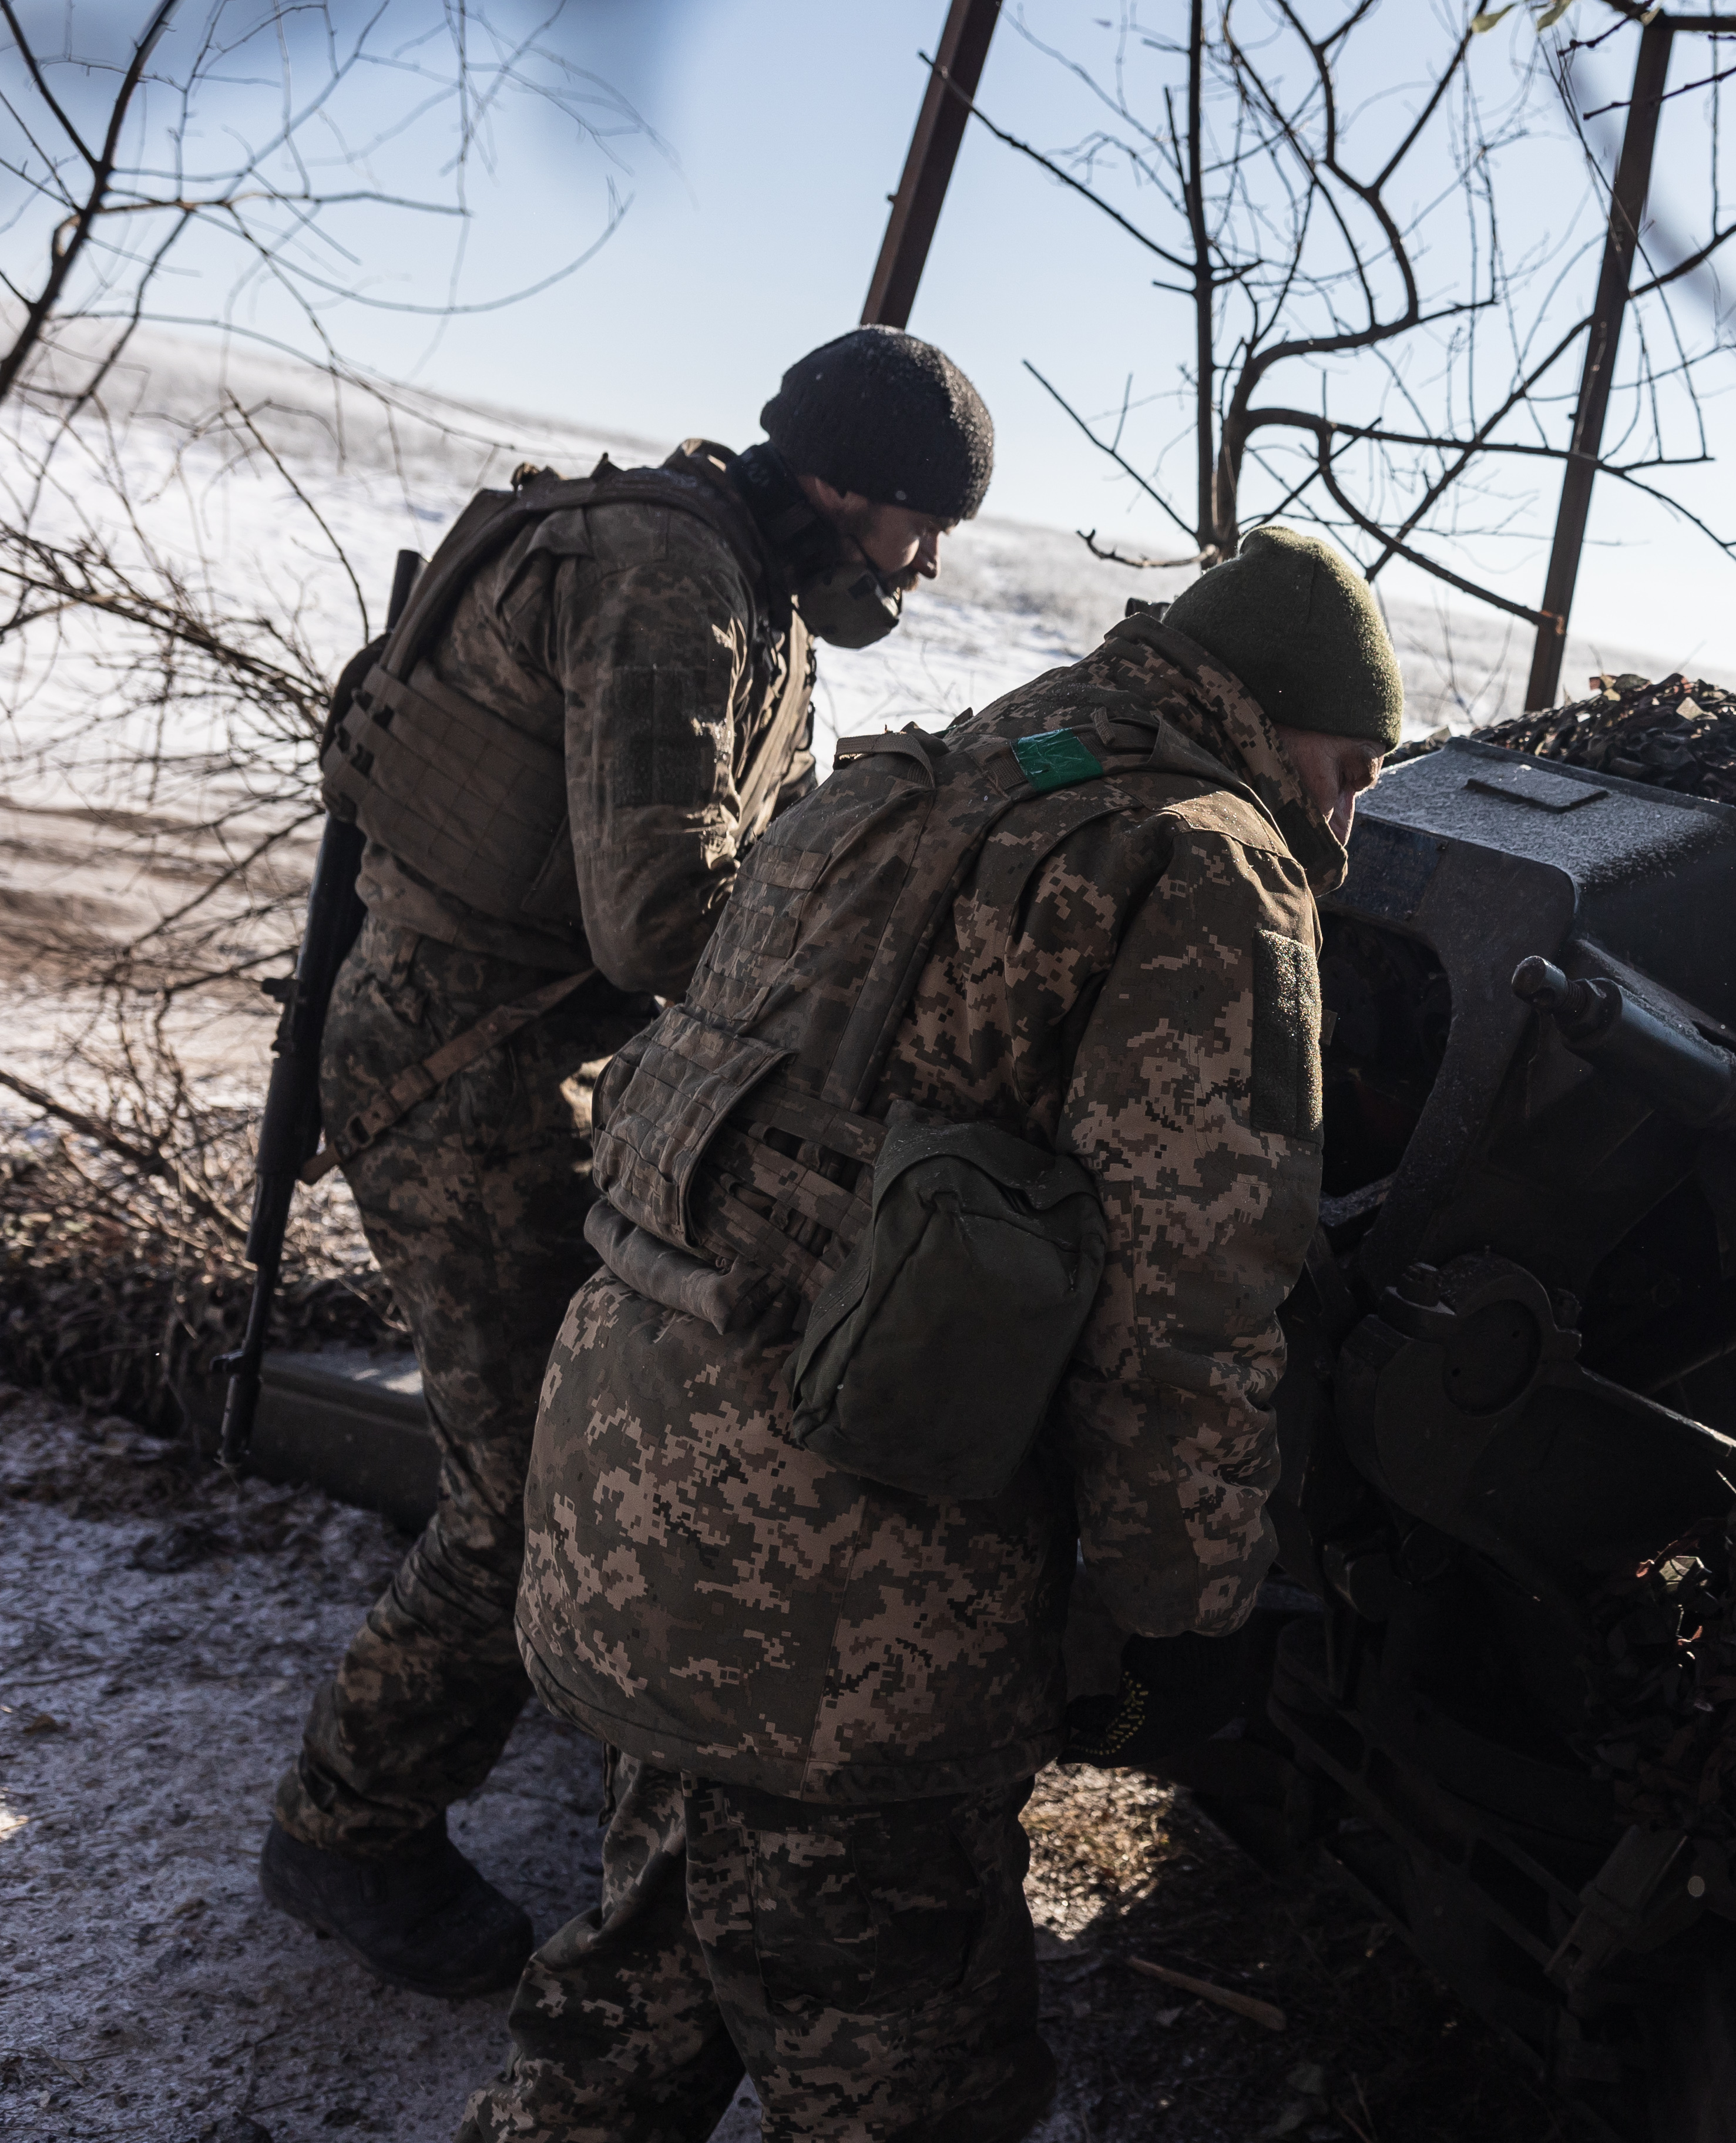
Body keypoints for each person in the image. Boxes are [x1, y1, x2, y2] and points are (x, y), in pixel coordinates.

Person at [453, 525, 1395, 2141]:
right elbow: (1190, 1304)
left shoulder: (952, 767)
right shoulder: (1205, 859)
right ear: (1279, 717)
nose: (1345, 812)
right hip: (846, 1610)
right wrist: (1188, 1608)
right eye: (1349, 766)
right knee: (914, 2075)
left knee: (638, 1994)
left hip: (631, 1491)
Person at [260, 327, 997, 1998]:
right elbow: (668, 912)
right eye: (920, 524)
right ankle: (346, 1824)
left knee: (624, 1444)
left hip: (545, 1066)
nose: (927, 561)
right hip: (467, 1072)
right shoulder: (670, 577)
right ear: (851, 490)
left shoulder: (743, 589)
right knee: (526, 1488)